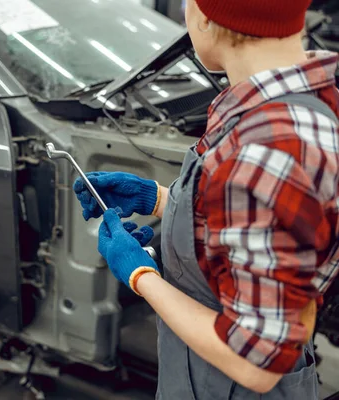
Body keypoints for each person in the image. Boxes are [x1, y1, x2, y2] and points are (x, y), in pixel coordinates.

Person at [74, 0, 339, 398]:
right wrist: (158, 199)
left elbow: (256, 361)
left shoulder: (268, 148)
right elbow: (262, 232)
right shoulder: (289, 104)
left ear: (206, 17)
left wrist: (141, 276)